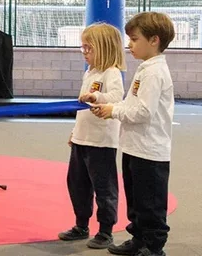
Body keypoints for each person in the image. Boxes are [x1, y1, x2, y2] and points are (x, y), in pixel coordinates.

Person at [91, 12, 176, 256]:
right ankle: (139, 239)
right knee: (137, 201)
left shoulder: (154, 72)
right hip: (133, 147)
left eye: (135, 39)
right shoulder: (144, 69)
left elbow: (143, 112)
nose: (129, 45)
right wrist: (112, 107)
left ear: (154, 40)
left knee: (150, 204)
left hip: (150, 151)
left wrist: (113, 110)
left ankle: (153, 246)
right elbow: (131, 103)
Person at [58, 23, 126, 249]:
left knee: (104, 187)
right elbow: (82, 110)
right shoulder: (89, 72)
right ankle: (81, 224)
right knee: (77, 184)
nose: (85, 53)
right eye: (83, 48)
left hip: (101, 142)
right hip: (81, 139)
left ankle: (106, 230)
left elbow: (116, 96)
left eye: (89, 48)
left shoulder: (111, 72)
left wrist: (96, 96)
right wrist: (74, 133)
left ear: (105, 48)